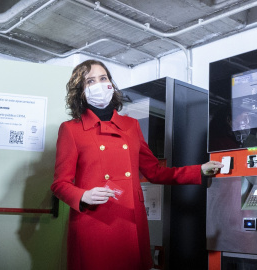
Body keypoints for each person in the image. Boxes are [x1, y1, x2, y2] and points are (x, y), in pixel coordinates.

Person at [51, 59, 223, 270]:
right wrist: (83, 196)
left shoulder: (131, 126)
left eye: (103, 78)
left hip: (130, 221)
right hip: (93, 222)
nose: (98, 84)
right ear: (81, 91)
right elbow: (60, 184)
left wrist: (198, 170)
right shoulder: (71, 129)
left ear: (111, 84)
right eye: (90, 81)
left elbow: (155, 172)